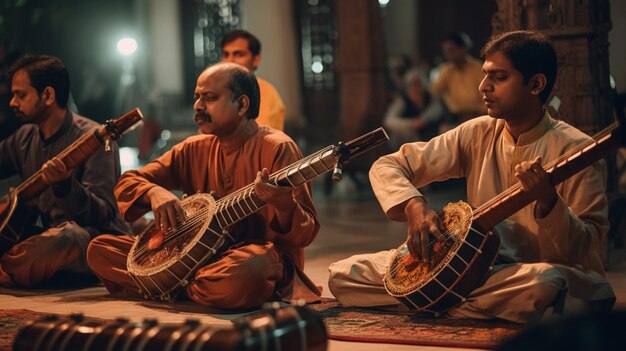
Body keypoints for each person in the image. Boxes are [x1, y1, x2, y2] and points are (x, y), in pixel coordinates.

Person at [328, 30, 615, 323]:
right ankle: (455, 302)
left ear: (536, 84)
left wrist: (548, 202)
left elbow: (585, 245)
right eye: (484, 74)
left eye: (499, 77)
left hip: (530, 272)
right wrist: (415, 206)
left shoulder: (576, 149)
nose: (483, 87)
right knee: (344, 275)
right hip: (470, 268)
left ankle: (433, 300)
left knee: (546, 284)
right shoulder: (476, 132)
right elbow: (389, 165)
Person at [87, 62, 320, 309]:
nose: (198, 106)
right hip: (195, 259)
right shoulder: (193, 148)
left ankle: (168, 284)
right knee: (99, 249)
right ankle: (192, 286)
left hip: (252, 259)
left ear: (242, 105)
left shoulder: (277, 147)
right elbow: (128, 182)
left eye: (209, 98)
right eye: (197, 97)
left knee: (251, 269)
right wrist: (153, 192)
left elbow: (305, 232)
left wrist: (285, 207)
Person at [0, 54, 129, 287]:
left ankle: (14, 270)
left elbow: (103, 214)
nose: (12, 103)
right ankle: (20, 271)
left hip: (92, 242)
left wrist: (65, 186)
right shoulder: (24, 138)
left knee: (67, 236)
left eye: (20, 95)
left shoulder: (95, 140)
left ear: (48, 95)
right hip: (49, 235)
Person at [220, 29, 286, 131]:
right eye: (226, 55)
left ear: (255, 60)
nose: (230, 61)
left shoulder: (267, 92)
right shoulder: (216, 91)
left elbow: (261, 136)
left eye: (238, 54)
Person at [430, 32, 486, 133]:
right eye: (446, 51)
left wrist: (478, 114)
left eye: (451, 50)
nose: (448, 54)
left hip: (478, 116)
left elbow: (486, 95)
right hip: (455, 118)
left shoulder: (477, 67)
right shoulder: (446, 70)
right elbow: (434, 91)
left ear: (463, 49)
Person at [383, 70, 436, 149]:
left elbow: (436, 110)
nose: (416, 88)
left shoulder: (428, 97)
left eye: (418, 84)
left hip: (428, 134)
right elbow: (389, 121)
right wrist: (411, 123)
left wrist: (425, 120)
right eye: (413, 84)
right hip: (409, 139)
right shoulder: (402, 101)